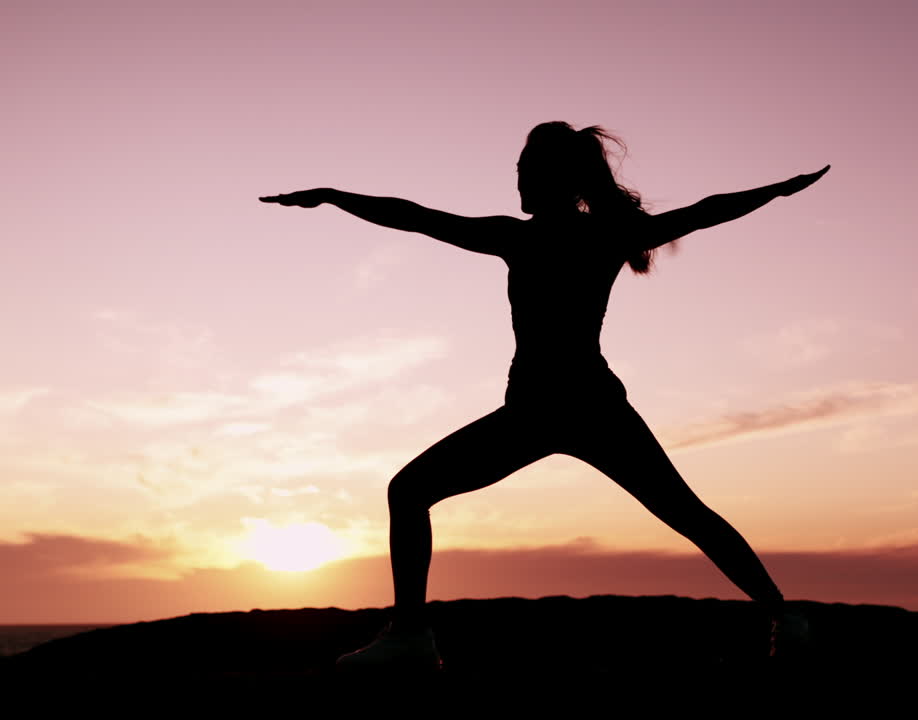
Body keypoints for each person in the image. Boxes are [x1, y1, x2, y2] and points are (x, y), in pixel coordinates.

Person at [260, 121, 829, 668]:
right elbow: (707, 211)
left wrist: (335, 196)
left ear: (552, 179)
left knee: (410, 492)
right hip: (579, 406)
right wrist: (777, 190)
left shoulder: (522, 237)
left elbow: (418, 218)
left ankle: (410, 635)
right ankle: (787, 618)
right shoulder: (596, 235)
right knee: (687, 514)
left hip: (549, 409)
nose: (516, 182)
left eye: (523, 170)